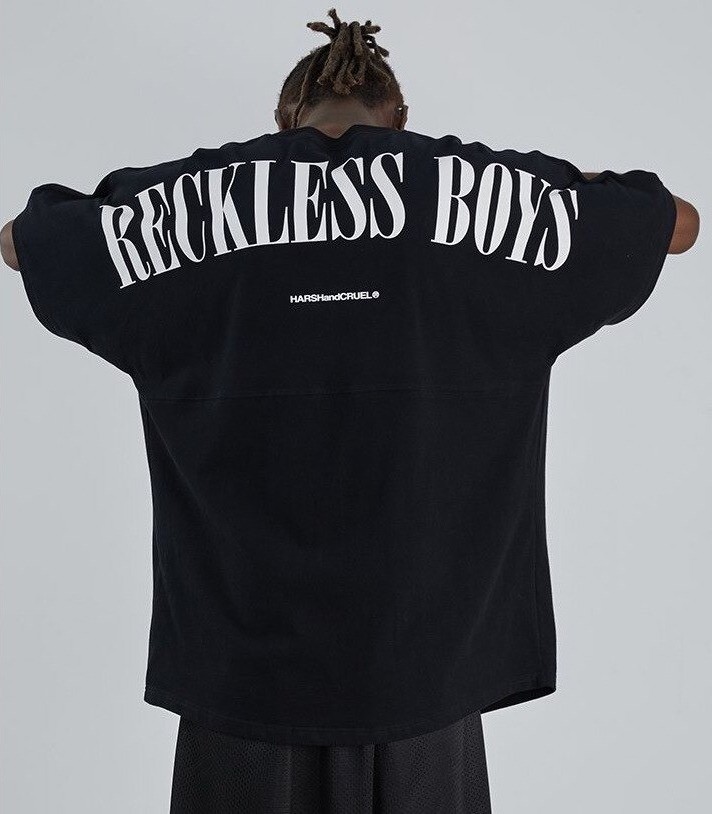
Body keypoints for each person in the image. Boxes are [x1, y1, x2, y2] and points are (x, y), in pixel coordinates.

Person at [1, 7, 700, 813]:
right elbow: (676, 223)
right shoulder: (475, 197)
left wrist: (187, 190)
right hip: (427, 668)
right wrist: (501, 182)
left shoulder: (198, 202)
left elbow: (21, 241)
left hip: (243, 670)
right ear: (399, 115)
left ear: (283, 117)